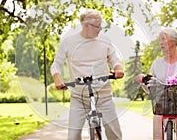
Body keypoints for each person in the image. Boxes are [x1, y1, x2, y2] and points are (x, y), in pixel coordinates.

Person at [50, 9, 124, 140]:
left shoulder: (104, 40)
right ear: (86, 26)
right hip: (79, 97)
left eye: (101, 25)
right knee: (73, 136)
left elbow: (115, 60)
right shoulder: (69, 42)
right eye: (97, 26)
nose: (100, 29)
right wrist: (57, 78)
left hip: (104, 96)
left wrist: (118, 69)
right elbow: (56, 64)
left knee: (115, 134)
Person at [135, 28, 177, 140]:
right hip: (161, 106)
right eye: (160, 40)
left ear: (173, 41)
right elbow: (150, 87)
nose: (161, 42)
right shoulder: (157, 63)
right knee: (157, 136)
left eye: (163, 39)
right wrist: (143, 80)